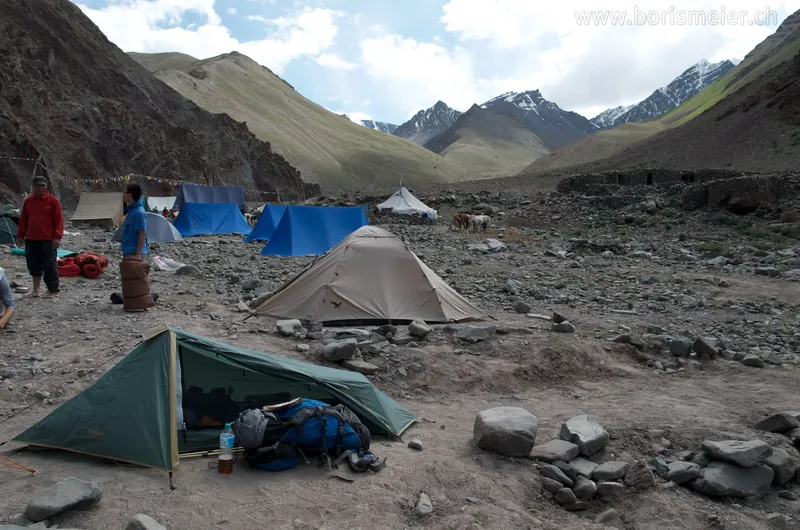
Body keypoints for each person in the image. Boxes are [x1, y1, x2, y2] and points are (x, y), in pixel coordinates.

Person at [16, 176, 63, 298]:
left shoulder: (53, 201)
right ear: (34, 186)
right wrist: (20, 235)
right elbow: (23, 220)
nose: (41, 188)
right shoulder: (28, 201)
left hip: (48, 239)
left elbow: (59, 220)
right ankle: (36, 289)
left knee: (49, 264)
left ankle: (53, 290)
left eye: (43, 186)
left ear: (46, 187)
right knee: (33, 264)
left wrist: (57, 236)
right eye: (38, 186)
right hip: (31, 238)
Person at [119, 183, 155, 311]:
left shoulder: (139, 212)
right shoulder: (131, 211)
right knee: (130, 277)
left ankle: (141, 302)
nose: (123, 195)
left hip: (135, 250)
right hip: (128, 247)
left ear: (130, 194)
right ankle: (132, 302)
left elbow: (142, 233)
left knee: (138, 277)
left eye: (124, 192)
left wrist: (138, 253)